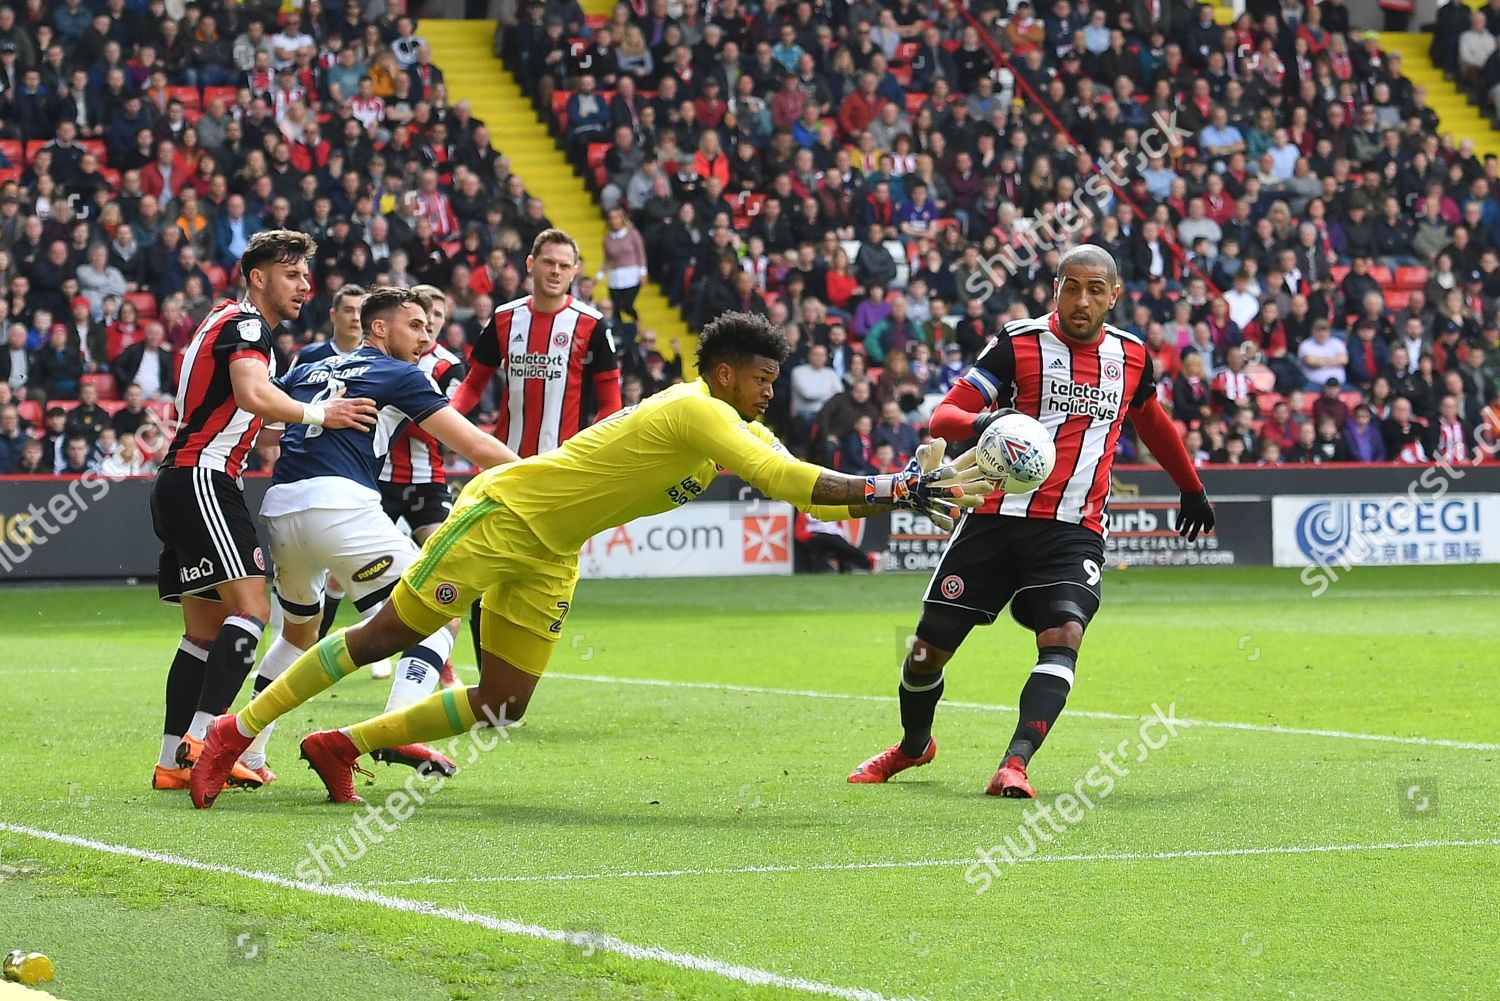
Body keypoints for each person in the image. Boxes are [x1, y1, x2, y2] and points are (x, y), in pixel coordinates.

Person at [189, 311, 993, 808]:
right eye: (760, 378)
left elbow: (810, 494)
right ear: (723, 372)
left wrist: (897, 488)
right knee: (382, 637)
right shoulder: (698, 409)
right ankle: (235, 727)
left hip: (553, 550)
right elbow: (788, 477)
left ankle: (342, 743)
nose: (767, 394)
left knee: (503, 702)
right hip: (505, 516)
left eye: (774, 381)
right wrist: (896, 483)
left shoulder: (735, 426)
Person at [846, 246, 1216, 798]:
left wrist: (1191, 487)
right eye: (1071, 287)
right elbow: (944, 416)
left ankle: (1014, 764)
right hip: (994, 518)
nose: (1082, 300)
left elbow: (1152, 421)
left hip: (1073, 528)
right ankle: (914, 745)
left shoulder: (1133, 356)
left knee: (1063, 635)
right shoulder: (1019, 343)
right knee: (926, 653)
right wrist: (988, 419)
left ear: (1114, 295)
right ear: (1055, 288)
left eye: (1095, 290)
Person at [231, 287, 518, 785]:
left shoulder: (307, 369)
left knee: (297, 634)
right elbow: (471, 442)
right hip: (340, 507)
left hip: (280, 510)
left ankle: (245, 752)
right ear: (379, 328)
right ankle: (393, 728)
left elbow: (267, 417)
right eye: (415, 325)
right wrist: (546, 478)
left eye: (429, 327)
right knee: (439, 614)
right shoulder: (399, 373)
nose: (425, 335)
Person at [147, 230, 377, 793]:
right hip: (206, 479)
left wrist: (292, 419)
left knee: (202, 633)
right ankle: (205, 745)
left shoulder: (219, 320)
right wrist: (322, 413)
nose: (305, 286)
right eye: (293, 274)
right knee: (250, 613)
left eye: (305, 275)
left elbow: (251, 413)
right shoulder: (248, 327)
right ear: (258, 276)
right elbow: (252, 394)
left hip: (177, 481)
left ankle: (171, 760)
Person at [443, 230, 623, 667]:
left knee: (538, 579)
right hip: (501, 471)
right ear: (531, 264)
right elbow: (472, 385)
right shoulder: (503, 320)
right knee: (482, 571)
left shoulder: (592, 326)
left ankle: (511, 679)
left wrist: (589, 461)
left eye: (564, 265)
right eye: (549, 263)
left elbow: (611, 405)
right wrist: (443, 423)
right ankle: (488, 682)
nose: (556, 271)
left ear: (575, 271)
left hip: (559, 476)